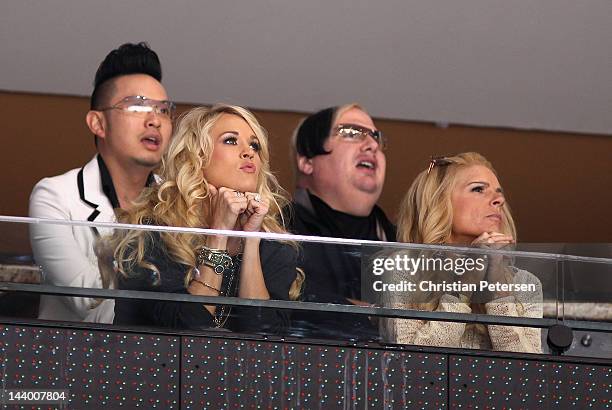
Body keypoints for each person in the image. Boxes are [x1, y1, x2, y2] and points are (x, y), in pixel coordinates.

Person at [105, 104, 300, 332]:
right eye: (230, 140)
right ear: (196, 156)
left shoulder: (275, 246)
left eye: (255, 146)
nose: (249, 152)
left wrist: (252, 240)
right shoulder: (152, 233)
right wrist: (218, 235)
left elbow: (265, 339)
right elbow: (186, 329)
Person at [29, 42, 174, 323]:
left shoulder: (177, 199)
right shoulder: (55, 195)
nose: (155, 120)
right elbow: (89, 302)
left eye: (164, 110)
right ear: (98, 123)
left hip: (164, 361)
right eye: (137, 105)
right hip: (79, 361)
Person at [380, 152, 542, 353]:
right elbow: (412, 363)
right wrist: (466, 281)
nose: (498, 200)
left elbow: (527, 373)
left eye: (498, 193)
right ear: (438, 201)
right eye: (478, 189)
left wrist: (498, 286)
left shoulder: (526, 283)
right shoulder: (404, 268)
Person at [287, 104, 395, 340]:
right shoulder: (274, 230)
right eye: (351, 132)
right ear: (307, 160)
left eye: (376, 136)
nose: (372, 144)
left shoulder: (405, 240)